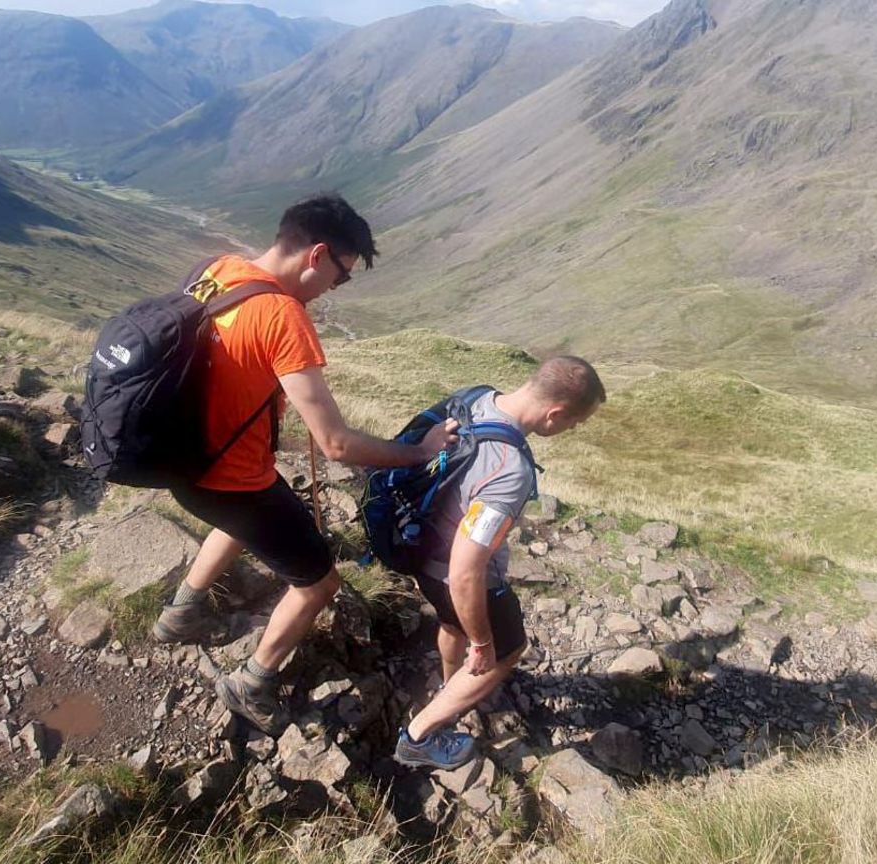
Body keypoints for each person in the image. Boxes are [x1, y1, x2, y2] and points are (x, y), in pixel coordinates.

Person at [151, 194, 457, 735]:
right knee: (319, 586)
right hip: (232, 478)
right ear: (317, 255)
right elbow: (335, 444)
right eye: (340, 278)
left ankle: (181, 614)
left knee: (240, 525)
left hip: (181, 459)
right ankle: (252, 681)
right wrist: (420, 452)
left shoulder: (218, 268)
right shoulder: (282, 316)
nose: (334, 291)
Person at [393, 356, 605, 771]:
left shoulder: (476, 399)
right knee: (507, 649)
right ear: (555, 413)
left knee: (451, 624)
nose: (569, 431)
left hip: (418, 549)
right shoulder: (511, 471)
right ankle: (420, 735)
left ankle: (451, 686)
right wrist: (484, 645)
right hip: (458, 577)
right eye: (573, 424)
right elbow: (466, 570)